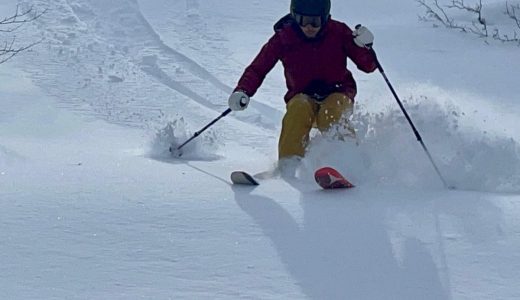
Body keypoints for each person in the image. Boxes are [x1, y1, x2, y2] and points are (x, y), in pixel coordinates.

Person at [228, 0, 377, 173]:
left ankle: (351, 162)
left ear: (326, 18)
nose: (309, 27)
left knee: (330, 114)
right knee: (297, 110)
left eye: (315, 22)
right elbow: (258, 68)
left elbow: (369, 66)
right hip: (302, 95)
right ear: (294, 16)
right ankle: (289, 167)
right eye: (302, 20)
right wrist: (243, 90)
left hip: (338, 91)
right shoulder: (284, 38)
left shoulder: (339, 32)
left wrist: (365, 47)